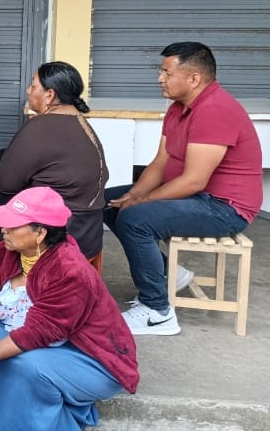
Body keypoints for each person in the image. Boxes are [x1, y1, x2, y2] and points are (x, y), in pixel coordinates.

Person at [0, 187, 139, 431]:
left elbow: (37, 333)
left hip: (90, 357)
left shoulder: (70, 270)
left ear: (40, 233)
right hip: (41, 342)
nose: (3, 230)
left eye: (13, 225)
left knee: (27, 364)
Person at [104, 42, 263, 337]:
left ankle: (157, 312)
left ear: (194, 78)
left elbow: (194, 181)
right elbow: (160, 162)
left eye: (167, 73)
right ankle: (169, 275)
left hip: (225, 208)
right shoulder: (178, 108)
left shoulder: (216, 110)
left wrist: (141, 202)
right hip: (198, 197)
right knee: (109, 202)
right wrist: (133, 195)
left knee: (135, 219)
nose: (160, 79)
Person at [0, 62, 107, 295]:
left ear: (49, 94)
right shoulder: (82, 123)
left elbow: (4, 183)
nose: (27, 90)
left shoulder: (42, 125)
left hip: (55, 231)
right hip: (89, 230)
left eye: (33, 85)